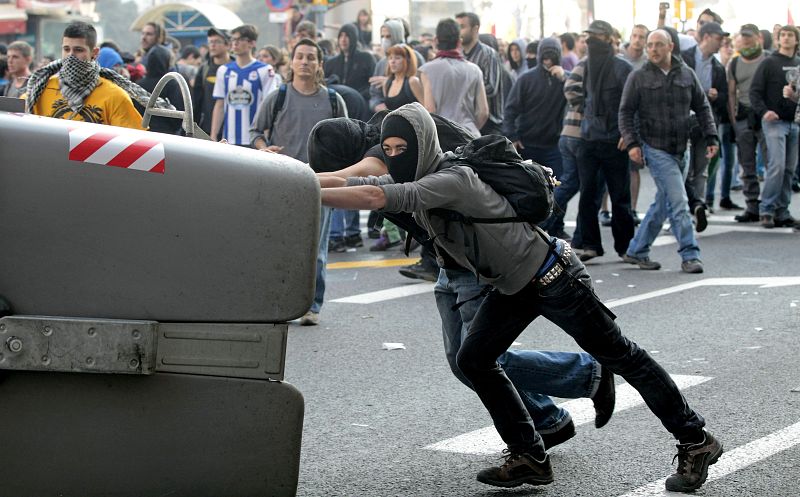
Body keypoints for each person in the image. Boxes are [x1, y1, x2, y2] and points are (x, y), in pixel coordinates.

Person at [320, 102, 722, 492]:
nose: (393, 158)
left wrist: (307, 190)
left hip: (553, 278)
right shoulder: (417, 179)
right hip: (513, 287)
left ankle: (695, 439)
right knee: (474, 360)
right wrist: (295, 179)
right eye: (387, 151)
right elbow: (358, 184)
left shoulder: (451, 179)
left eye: (401, 150)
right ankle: (529, 454)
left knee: (623, 356)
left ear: (424, 144)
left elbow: (375, 197)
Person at [311, 112, 616, 455]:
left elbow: (359, 182)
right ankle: (546, 418)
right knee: (465, 361)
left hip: (476, 260)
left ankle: (583, 378)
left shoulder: (385, 151)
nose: (394, 153)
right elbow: (347, 182)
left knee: (477, 360)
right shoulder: (387, 137)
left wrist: (298, 180)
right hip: (452, 258)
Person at [249, 39, 347, 326]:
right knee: (279, 245)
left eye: (311, 57)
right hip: (282, 179)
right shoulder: (278, 96)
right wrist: (262, 148)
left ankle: (312, 306)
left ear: (319, 64)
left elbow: (350, 137)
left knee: (316, 249)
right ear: (290, 63)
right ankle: (277, 304)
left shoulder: (332, 100)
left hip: (321, 182)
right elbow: (257, 131)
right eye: (299, 57)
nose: (304, 62)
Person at [620, 30, 718, 274]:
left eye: (658, 45)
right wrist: (632, 144)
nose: (652, 49)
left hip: (681, 148)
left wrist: (711, 137)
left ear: (670, 46)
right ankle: (690, 254)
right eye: (649, 44)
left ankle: (637, 250)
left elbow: (703, 108)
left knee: (662, 204)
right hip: (655, 148)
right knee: (679, 202)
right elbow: (625, 112)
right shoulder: (638, 77)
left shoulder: (687, 74)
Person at [572, 20, 635, 262]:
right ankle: (590, 244)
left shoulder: (622, 68)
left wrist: (626, 135)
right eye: (589, 36)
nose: (591, 41)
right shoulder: (587, 65)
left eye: (596, 36)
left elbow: (631, 106)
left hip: (614, 140)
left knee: (620, 197)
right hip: (588, 139)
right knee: (587, 194)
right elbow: (580, 96)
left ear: (609, 38)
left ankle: (626, 246)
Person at [26, 21, 153, 129]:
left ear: (95, 53)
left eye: (78, 50)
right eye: (66, 49)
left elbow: (134, 144)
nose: (71, 56)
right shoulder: (40, 89)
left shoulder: (114, 96)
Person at [749, 25, 800, 228]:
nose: (786, 38)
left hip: (794, 122)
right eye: (783, 35)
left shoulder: (798, 63)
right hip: (774, 121)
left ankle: (782, 210)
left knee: (789, 169)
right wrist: (764, 112)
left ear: (797, 41)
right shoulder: (769, 62)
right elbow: (754, 92)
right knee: (776, 166)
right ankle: (767, 209)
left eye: (790, 35)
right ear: (778, 40)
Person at [681, 21, 730, 231]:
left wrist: (717, 95)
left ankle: (697, 209)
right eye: (719, 39)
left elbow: (726, 95)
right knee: (682, 169)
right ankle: (682, 210)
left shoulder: (718, 67)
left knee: (701, 169)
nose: (722, 43)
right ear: (707, 37)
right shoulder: (685, 58)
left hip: (706, 122)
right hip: (683, 120)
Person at [502, 37, 565, 175]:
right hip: (527, 145)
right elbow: (510, 110)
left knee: (557, 187)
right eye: (545, 55)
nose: (548, 59)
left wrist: (565, 78)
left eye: (552, 55)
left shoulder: (564, 79)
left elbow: (580, 94)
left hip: (553, 146)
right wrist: (512, 137)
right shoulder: (526, 79)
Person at [210, 24, 278, 145]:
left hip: (256, 140)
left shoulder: (265, 70)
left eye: (240, 40)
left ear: (252, 43)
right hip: (229, 140)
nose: (235, 43)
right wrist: (213, 135)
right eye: (233, 40)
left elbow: (269, 107)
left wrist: (268, 137)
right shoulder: (223, 70)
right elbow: (220, 104)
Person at [419, 18, 488, 137]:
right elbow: (483, 112)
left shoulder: (427, 70)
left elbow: (430, 110)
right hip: (470, 135)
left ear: (436, 40)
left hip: (442, 138)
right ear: (459, 41)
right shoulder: (474, 70)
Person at [455, 12, 505, 135]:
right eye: (457, 28)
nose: (458, 32)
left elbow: (491, 87)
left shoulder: (488, 54)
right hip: (466, 122)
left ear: (475, 29)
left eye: (462, 27)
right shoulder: (458, 55)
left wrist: (464, 91)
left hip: (490, 123)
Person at [137, 44, 184, 135]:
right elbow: (179, 115)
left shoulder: (139, 84)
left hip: (143, 135)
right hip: (166, 136)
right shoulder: (170, 83)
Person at [192, 28, 231, 136]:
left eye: (217, 42)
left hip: (233, 130)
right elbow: (197, 102)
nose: (212, 45)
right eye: (210, 42)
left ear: (228, 45)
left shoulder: (236, 69)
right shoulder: (204, 69)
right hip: (208, 129)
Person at [324, 23, 375, 103]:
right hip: (337, 104)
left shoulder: (366, 59)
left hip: (360, 103)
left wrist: (358, 96)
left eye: (347, 36)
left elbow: (373, 84)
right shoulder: (331, 63)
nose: (343, 39)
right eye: (341, 36)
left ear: (354, 38)